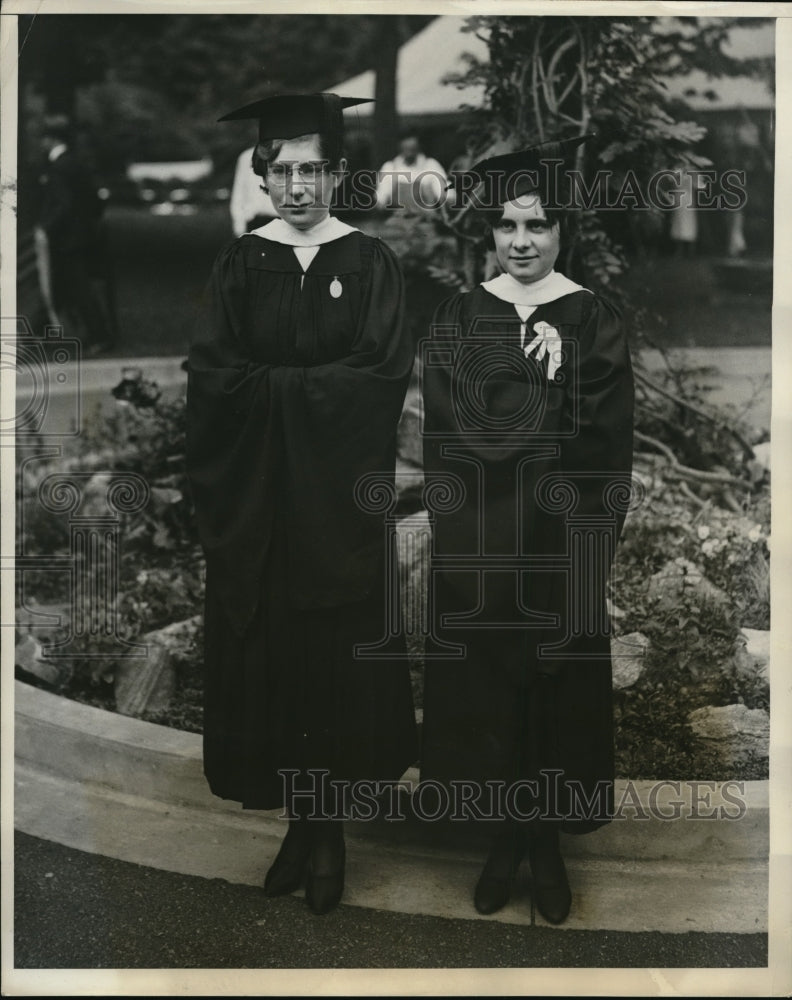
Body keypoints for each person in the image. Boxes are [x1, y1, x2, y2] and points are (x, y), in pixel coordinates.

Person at [185, 93, 418, 916]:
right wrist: (297, 397)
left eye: (312, 169)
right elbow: (213, 381)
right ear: (262, 173)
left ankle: (330, 836)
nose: (296, 186)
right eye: (280, 170)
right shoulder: (240, 265)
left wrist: (275, 394)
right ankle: (298, 822)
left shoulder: (371, 264)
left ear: (338, 173)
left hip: (336, 509)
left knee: (332, 665)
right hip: (263, 510)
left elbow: (378, 378)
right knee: (275, 665)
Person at [421, 137, 635, 925]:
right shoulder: (460, 315)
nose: (521, 242)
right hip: (481, 544)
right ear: (488, 234)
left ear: (562, 232)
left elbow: (608, 446)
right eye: (508, 226)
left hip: (560, 545)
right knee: (489, 696)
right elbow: (449, 438)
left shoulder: (594, 320)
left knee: (553, 693)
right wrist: (539, 391)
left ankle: (544, 841)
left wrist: (558, 379)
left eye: (538, 226)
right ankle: (502, 838)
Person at [35, 114, 113, 355]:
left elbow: (63, 204)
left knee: (78, 289)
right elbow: (92, 200)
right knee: (61, 286)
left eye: (43, 137)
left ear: (51, 139)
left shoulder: (59, 168)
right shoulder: (76, 163)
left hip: (66, 239)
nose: (40, 143)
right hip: (80, 235)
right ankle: (39, 333)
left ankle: (100, 336)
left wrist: (45, 227)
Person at [376, 132, 447, 213]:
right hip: (399, 219)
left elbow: (444, 193)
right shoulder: (390, 167)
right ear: (400, 146)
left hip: (426, 219)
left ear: (418, 146)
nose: (409, 151)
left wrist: (447, 198)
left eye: (412, 148)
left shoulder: (431, 165)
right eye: (406, 147)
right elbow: (382, 197)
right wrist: (381, 201)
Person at [228, 144, 277, 236]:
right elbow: (238, 192)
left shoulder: (287, 154)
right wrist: (238, 222)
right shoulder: (246, 157)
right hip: (254, 221)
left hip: (280, 220)